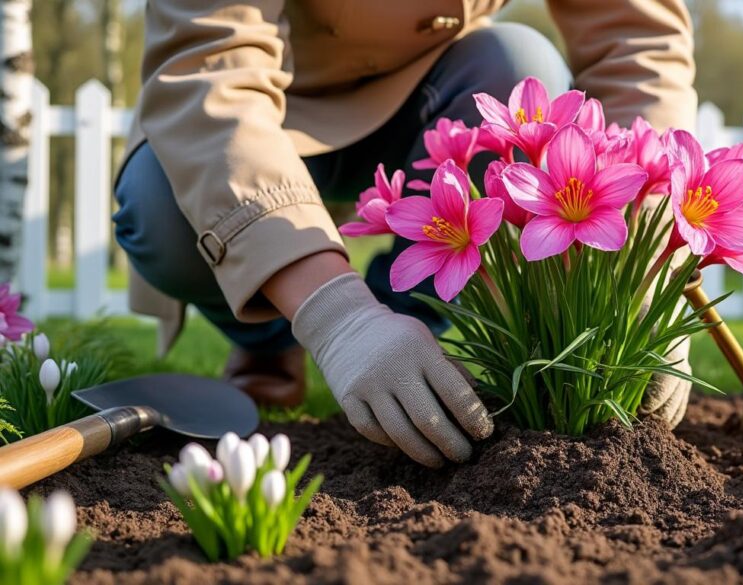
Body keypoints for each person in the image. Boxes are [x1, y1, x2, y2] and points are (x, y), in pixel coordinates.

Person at [114, 1, 698, 468]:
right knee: (160, 211)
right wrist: (339, 319)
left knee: (521, 61)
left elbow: (637, 44)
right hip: (256, 109)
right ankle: (276, 341)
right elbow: (211, 67)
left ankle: (410, 335)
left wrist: (642, 270)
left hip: (433, 98)